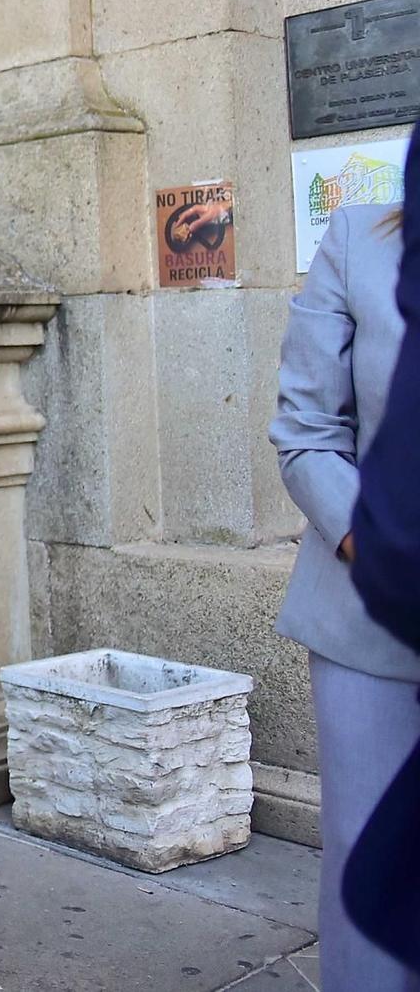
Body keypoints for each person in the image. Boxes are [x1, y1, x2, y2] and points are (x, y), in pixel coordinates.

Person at [271, 196, 418, 990]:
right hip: (370, 620)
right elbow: (307, 432)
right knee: (368, 867)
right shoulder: (362, 238)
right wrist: (386, 555)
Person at [341, 123, 420, 976]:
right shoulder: (356, 237)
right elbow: (303, 424)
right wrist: (362, 534)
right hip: (361, 590)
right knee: (361, 842)